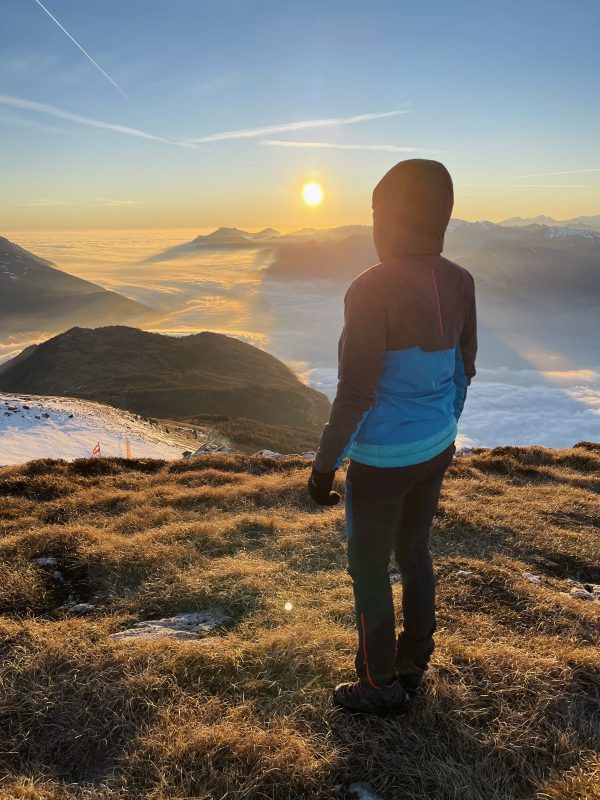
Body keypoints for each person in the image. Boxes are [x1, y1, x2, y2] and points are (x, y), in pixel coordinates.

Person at [307, 159, 477, 715]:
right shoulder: (460, 280)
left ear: (385, 216)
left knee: (368, 570)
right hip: (437, 445)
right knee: (416, 551)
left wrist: (323, 467)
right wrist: (444, 426)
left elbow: (356, 391)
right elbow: (462, 370)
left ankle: (378, 685)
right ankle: (413, 663)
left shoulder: (371, 287)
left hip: (381, 461)